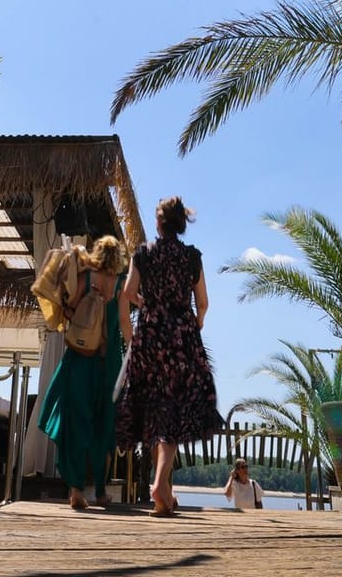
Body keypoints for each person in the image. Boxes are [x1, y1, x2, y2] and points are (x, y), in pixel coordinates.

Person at [114, 195, 223, 516]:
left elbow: (128, 293)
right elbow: (202, 303)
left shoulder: (144, 254)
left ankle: (163, 486)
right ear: (180, 223)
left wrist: (147, 306)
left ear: (159, 223)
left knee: (152, 406)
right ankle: (163, 485)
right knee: (173, 409)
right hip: (180, 336)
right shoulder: (192, 257)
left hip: (150, 335)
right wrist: (195, 324)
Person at [38, 236, 130, 510]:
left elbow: (69, 312)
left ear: (97, 252)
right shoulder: (121, 284)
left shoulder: (86, 277)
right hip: (109, 363)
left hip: (80, 359)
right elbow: (125, 325)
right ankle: (101, 492)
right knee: (103, 427)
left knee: (76, 422)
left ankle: (76, 490)